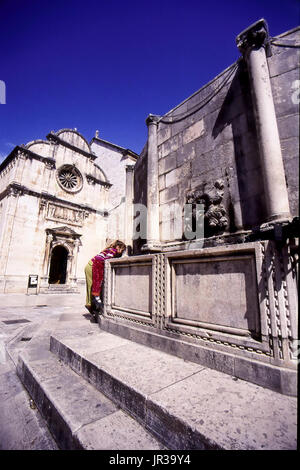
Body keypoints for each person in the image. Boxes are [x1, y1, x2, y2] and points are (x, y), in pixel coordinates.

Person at [84, 240, 126, 318]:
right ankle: (91, 306)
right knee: (91, 287)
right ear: (117, 247)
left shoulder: (109, 250)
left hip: (90, 265)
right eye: (121, 249)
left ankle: (90, 306)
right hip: (91, 267)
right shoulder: (112, 251)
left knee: (91, 287)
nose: (121, 252)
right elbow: (107, 259)